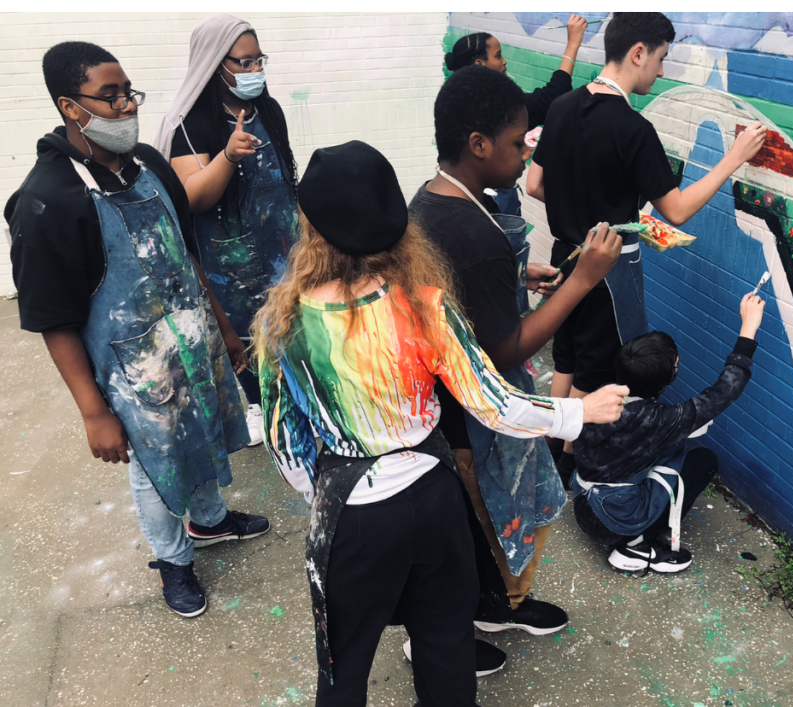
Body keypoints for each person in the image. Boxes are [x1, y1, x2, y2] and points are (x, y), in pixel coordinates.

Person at [253, 141, 628, 707]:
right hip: (435, 499)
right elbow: (494, 403)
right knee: (446, 651)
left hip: (351, 515)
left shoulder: (284, 326)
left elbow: (287, 449)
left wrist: (328, 495)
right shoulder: (424, 302)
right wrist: (581, 409)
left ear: (310, 224)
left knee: (342, 666)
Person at [6, 41, 270, 619]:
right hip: (134, 369)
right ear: (70, 107)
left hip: (192, 338)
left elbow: (182, 248)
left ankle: (210, 522)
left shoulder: (148, 163)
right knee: (158, 466)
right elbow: (54, 320)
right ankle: (173, 560)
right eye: (110, 96)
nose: (127, 106)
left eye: (128, 92)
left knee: (201, 432)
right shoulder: (49, 199)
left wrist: (223, 327)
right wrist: (93, 411)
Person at [408, 65, 623, 657]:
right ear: (478, 145)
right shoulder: (469, 235)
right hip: (471, 421)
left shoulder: (436, 199)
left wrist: (514, 273)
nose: (526, 153)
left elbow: (465, 293)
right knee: (482, 524)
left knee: (482, 528)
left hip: (450, 408)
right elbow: (504, 351)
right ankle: (453, 631)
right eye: (517, 142)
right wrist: (581, 281)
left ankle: (502, 605)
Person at [527, 12, 768, 479]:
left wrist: (592, 206)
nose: (661, 72)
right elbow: (675, 210)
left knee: (567, 357)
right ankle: (574, 470)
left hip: (564, 258)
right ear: (638, 52)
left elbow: (536, 184)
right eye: (660, 59)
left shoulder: (561, 107)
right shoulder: (633, 129)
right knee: (599, 375)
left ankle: (550, 454)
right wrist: (733, 159)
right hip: (608, 274)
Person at [156, 14, 299, 447]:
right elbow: (193, 197)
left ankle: (300, 395)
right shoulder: (189, 122)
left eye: (259, 61)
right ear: (215, 63)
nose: (254, 71)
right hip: (230, 258)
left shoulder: (267, 109)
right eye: (243, 63)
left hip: (282, 243)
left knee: (292, 324)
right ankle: (258, 403)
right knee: (247, 333)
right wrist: (228, 156)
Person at [572, 293, 766, 572]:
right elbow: (724, 391)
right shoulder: (658, 421)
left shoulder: (600, 399)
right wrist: (749, 329)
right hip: (615, 521)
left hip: (584, 506)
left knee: (673, 450)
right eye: (676, 365)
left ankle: (632, 534)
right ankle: (637, 545)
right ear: (668, 378)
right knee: (703, 460)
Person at [444, 15, 588, 217]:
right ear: (479, 64)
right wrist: (572, 45)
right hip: (495, 205)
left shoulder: (457, 100)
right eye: (497, 56)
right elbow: (550, 98)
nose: (504, 62)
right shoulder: (496, 106)